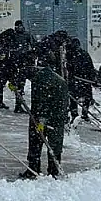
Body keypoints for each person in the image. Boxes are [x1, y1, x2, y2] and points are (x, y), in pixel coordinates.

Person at [22, 51, 68, 179]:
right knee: (55, 144)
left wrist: (41, 120)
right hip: (58, 118)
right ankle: (53, 170)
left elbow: (39, 101)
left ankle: (33, 169)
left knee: (35, 143)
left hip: (40, 117)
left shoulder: (39, 79)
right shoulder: (60, 79)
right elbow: (65, 102)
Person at [66, 38, 97, 122]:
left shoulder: (71, 55)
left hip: (79, 79)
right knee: (83, 97)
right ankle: (81, 113)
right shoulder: (81, 54)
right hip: (82, 79)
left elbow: (90, 67)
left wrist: (93, 78)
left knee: (75, 98)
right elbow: (91, 67)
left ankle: (78, 114)